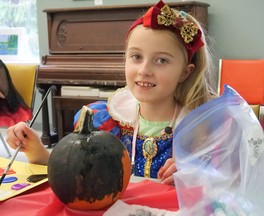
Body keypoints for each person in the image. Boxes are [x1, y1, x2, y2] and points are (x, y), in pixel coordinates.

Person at [6, 0, 216, 185]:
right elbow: (73, 170)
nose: (144, 70)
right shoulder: (107, 120)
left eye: (161, 60)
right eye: (136, 56)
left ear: (184, 72)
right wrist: (35, 149)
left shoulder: (198, 129)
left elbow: (228, 183)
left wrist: (195, 174)